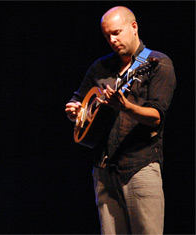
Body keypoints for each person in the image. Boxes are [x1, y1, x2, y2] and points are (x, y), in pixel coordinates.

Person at [65, 6, 176, 234]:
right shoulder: (100, 67)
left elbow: (156, 117)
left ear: (134, 27)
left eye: (116, 32)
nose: (112, 40)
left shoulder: (158, 63)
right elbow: (78, 99)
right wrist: (75, 111)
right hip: (104, 170)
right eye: (107, 36)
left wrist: (125, 106)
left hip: (140, 166)